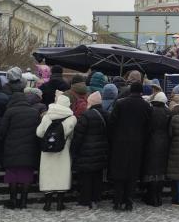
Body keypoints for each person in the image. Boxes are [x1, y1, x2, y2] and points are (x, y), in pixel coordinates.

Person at [108, 82, 152, 211]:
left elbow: (111, 123)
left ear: (130, 90)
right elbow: (149, 127)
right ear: (141, 92)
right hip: (137, 144)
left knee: (119, 173)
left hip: (119, 143)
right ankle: (129, 202)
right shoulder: (146, 106)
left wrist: (114, 139)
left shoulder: (120, 103)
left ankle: (117, 201)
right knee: (132, 174)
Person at [0, 93, 41, 208]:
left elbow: (2, 131)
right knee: (27, 175)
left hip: (11, 147)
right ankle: (24, 202)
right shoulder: (34, 112)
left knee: (12, 174)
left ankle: (13, 200)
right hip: (30, 148)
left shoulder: (10, 112)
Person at [37, 94, 77, 211]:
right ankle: (60, 203)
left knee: (48, 174)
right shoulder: (72, 118)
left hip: (47, 149)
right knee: (62, 174)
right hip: (63, 150)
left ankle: (47, 204)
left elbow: (39, 133)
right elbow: (73, 136)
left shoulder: (47, 116)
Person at [70, 91, 109, 209]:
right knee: (97, 176)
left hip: (87, 152)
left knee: (86, 178)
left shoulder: (86, 116)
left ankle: (85, 201)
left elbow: (78, 136)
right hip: (101, 152)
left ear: (90, 102)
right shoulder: (107, 115)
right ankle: (95, 199)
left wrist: (74, 151)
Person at [142, 92, 172, 206]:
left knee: (150, 171)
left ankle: (151, 197)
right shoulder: (168, 112)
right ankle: (158, 197)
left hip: (151, 142)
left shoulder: (150, 111)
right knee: (160, 172)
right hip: (164, 143)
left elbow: (146, 127)